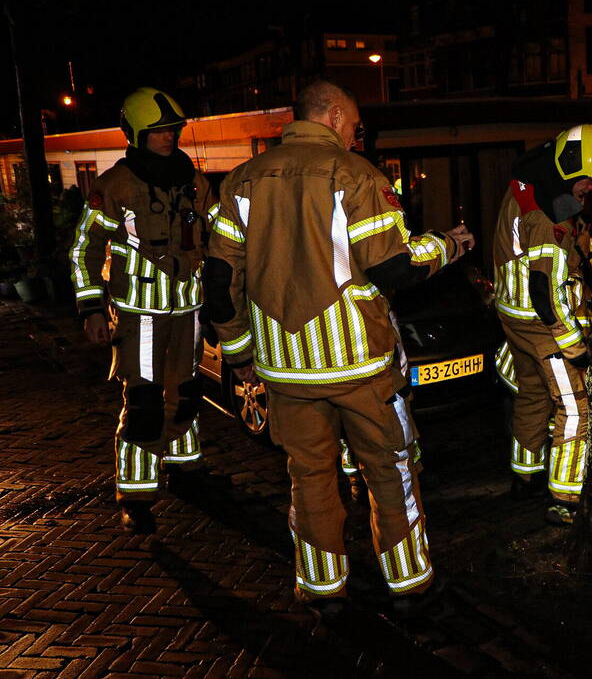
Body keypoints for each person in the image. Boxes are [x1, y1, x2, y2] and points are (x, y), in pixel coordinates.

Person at [205, 80, 474, 620]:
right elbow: (393, 266)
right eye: (354, 125)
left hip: (285, 369)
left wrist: (239, 354)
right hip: (360, 366)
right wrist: (448, 245)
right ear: (332, 116)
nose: (356, 136)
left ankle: (323, 590)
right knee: (391, 471)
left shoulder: (241, 181)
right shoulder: (354, 174)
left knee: (309, 478)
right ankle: (411, 586)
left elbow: (217, 280)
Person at [69, 87, 215, 534]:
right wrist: (92, 309)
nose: (169, 137)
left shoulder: (196, 183)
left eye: (173, 130)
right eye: (158, 131)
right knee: (145, 404)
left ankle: (186, 468)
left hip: (188, 310)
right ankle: (136, 495)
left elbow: (216, 240)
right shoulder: (115, 186)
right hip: (140, 315)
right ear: (135, 134)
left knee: (185, 394)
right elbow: (84, 249)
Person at [492, 125, 592, 525]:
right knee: (576, 407)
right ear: (572, 168)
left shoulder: (527, 185)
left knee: (532, 395)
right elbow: (546, 292)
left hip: (513, 315)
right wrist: (576, 348)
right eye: (589, 180)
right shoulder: (546, 214)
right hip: (542, 326)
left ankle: (525, 476)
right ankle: (565, 499)